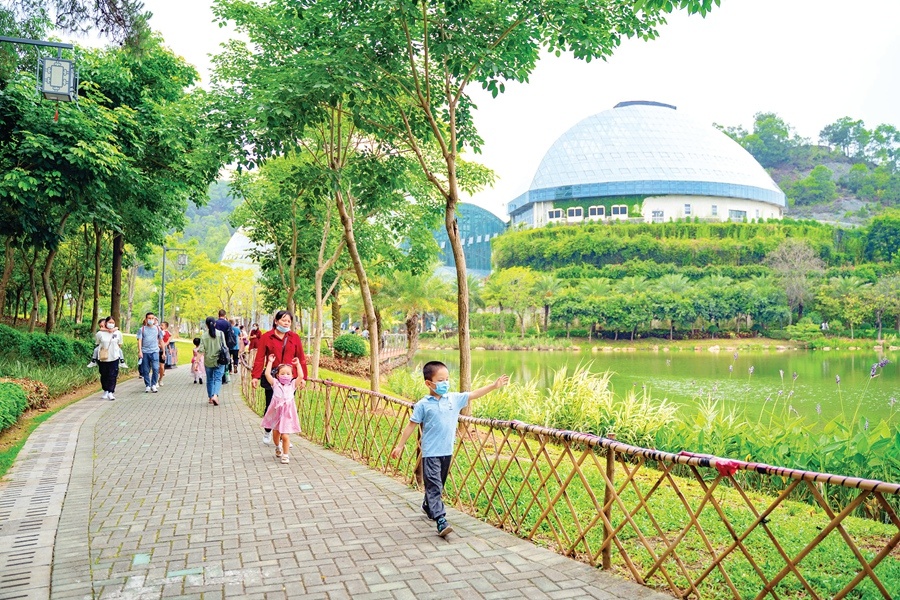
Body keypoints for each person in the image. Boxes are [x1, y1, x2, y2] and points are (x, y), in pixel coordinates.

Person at [391, 361, 509, 537]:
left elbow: (474, 394)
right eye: (441, 380)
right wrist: (399, 446)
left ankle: (427, 505)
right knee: (435, 486)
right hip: (431, 452)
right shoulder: (423, 404)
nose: (445, 382)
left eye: (447, 379)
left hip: (447, 452)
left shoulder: (453, 398)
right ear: (428, 383)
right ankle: (441, 520)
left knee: (437, 485)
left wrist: (493, 385)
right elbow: (411, 425)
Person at [252, 310, 308, 445]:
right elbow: (259, 358)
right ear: (276, 321)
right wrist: (255, 376)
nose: (286, 323)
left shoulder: (294, 337)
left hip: (289, 379)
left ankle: (284, 436)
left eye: (288, 321)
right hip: (272, 377)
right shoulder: (267, 337)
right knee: (271, 405)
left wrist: (303, 377)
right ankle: (268, 430)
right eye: (283, 320)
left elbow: (301, 358)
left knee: (287, 407)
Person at [261, 355, 303, 464]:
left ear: (292, 375)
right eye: (282, 374)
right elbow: (267, 374)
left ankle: (285, 455)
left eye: (288, 374)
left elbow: (301, 376)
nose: (285, 376)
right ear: (277, 375)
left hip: (287, 415)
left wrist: (298, 365)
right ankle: (277, 446)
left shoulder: (292, 385)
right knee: (276, 434)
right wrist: (270, 362)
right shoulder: (275, 384)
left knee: (285, 435)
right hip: (276, 413)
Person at [200, 316, 228, 405]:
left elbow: (201, 350)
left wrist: (197, 362)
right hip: (220, 360)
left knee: (210, 379)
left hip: (208, 361)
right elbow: (224, 346)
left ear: (206, 325)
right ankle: (215, 395)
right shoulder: (220, 334)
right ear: (215, 324)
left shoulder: (204, 336)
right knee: (218, 379)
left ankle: (210, 397)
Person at [95, 317, 124, 400]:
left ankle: (111, 391)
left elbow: (120, 344)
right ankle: (105, 390)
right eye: (109, 322)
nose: (111, 324)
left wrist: (115, 351)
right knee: (104, 374)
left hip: (114, 357)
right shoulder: (100, 333)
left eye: (113, 322)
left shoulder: (118, 333)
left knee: (113, 374)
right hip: (103, 358)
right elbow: (97, 343)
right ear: (106, 323)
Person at [136, 312, 165, 393]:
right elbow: (139, 341)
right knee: (145, 370)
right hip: (145, 352)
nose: (151, 320)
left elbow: (161, 340)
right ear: (146, 319)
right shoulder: (142, 329)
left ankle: (153, 384)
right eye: (149, 318)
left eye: (152, 318)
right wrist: (140, 351)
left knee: (156, 368)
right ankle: (148, 385)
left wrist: (163, 352)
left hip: (155, 351)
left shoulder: (158, 329)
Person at [215, 309, 234, 383]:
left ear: (218, 315)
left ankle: (218, 376)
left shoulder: (215, 323)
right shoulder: (227, 324)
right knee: (225, 360)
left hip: (217, 344)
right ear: (225, 315)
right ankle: (224, 377)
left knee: (217, 360)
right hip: (225, 344)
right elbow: (230, 335)